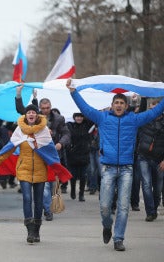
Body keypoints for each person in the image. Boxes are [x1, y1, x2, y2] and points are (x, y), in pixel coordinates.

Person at [66, 78, 164, 251]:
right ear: (111, 105)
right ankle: (107, 226)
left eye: (122, 103)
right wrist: (73, 92)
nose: (119, 105)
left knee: (123, 206)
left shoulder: (133, 120)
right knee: (105, 206)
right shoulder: (102, 117)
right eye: (116, 102)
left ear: (126, 106)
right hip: (108, 168)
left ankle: (119, 238)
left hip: (126, 168)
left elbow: (153, 112)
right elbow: (85, 108)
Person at [0, 104, 70, 244]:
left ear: (37, 115)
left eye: (33, 112)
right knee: (27, 198)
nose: (31, 114)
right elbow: (9, 148)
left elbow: (51, 153)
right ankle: (29, 230)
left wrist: (57, 169)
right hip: (24, 170)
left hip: (40, 171)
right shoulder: (19, 131)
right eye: (29, 112)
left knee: (38, 201)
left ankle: (37, 230)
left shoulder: (44, 131)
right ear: (26, 116)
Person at [15, 85, 70, 221]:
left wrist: (60, 143)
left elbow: (66, 133)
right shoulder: (35, 117)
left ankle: (47, 206)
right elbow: (21, 110)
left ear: (50, 107)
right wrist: (18, 94)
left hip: (52, 157)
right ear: (40, 108)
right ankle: (47, 210)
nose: (45, 111)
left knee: (51, 186)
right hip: (38, 158)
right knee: (44, 187)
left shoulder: (59, 119)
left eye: (47, 108)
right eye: (43, 108)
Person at [136, 99, 164, 221]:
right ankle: (150, 212)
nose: (154, 111)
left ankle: (155, 206)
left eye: (156, 108)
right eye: (151, 109)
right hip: (144, 157)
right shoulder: (145, 120)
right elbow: (140, 111)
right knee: (146, 185)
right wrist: (144, 96)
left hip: (159, 159)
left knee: (157, 189)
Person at [66, 112, 92, 202]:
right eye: (77, 116)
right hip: (73, 154)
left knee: (83, 176)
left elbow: (92, 120)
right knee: (73, 175)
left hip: (84, 153)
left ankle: (81, 194)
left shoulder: (87, 125)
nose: (79, 118)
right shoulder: (70, 125)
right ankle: (73, 190)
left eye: (81, 116)